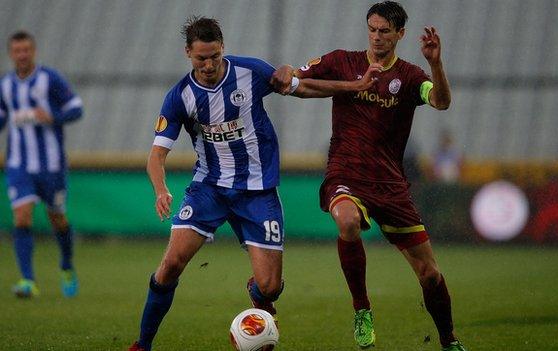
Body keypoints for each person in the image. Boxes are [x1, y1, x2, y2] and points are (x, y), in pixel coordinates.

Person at [127, 16, 379, 351]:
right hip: (209, 190)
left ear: (223, 49)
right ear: (188, 53)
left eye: (214, 55)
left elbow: (301, 88)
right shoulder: (180, 97)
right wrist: (161, 190)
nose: (208, 64)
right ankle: (142, 344)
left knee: (271, 287)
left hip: (258, 191)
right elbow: (156, 157)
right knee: (171, 264)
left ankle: (259, 295)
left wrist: (354, 86)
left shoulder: (250, 72)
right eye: (201, 57)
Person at [291, 2, 466, 350]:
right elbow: (296, 83)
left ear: (400, 34)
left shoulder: (412, 76)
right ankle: (362, 310)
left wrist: (436, 63)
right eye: (372, 29)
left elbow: (442, 102)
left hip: (389, 185)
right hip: (346, 173)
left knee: (429, 274)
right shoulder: (343, 62)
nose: (376, 36)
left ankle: (449, 341)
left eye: (385, 31)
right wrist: (347, 85)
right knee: (347, 220)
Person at [0, 31, 83, 298]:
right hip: (18, 164)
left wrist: (52, 116)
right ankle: (28, 280)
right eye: (17, 51)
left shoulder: (51, 79)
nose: (22, 55)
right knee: (21, 216)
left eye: (26, 50)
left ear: (33, 51)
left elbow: (76, 108)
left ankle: (67, 265)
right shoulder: (5, 85)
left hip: (52, 165)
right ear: (11, 54)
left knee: (57, 218)